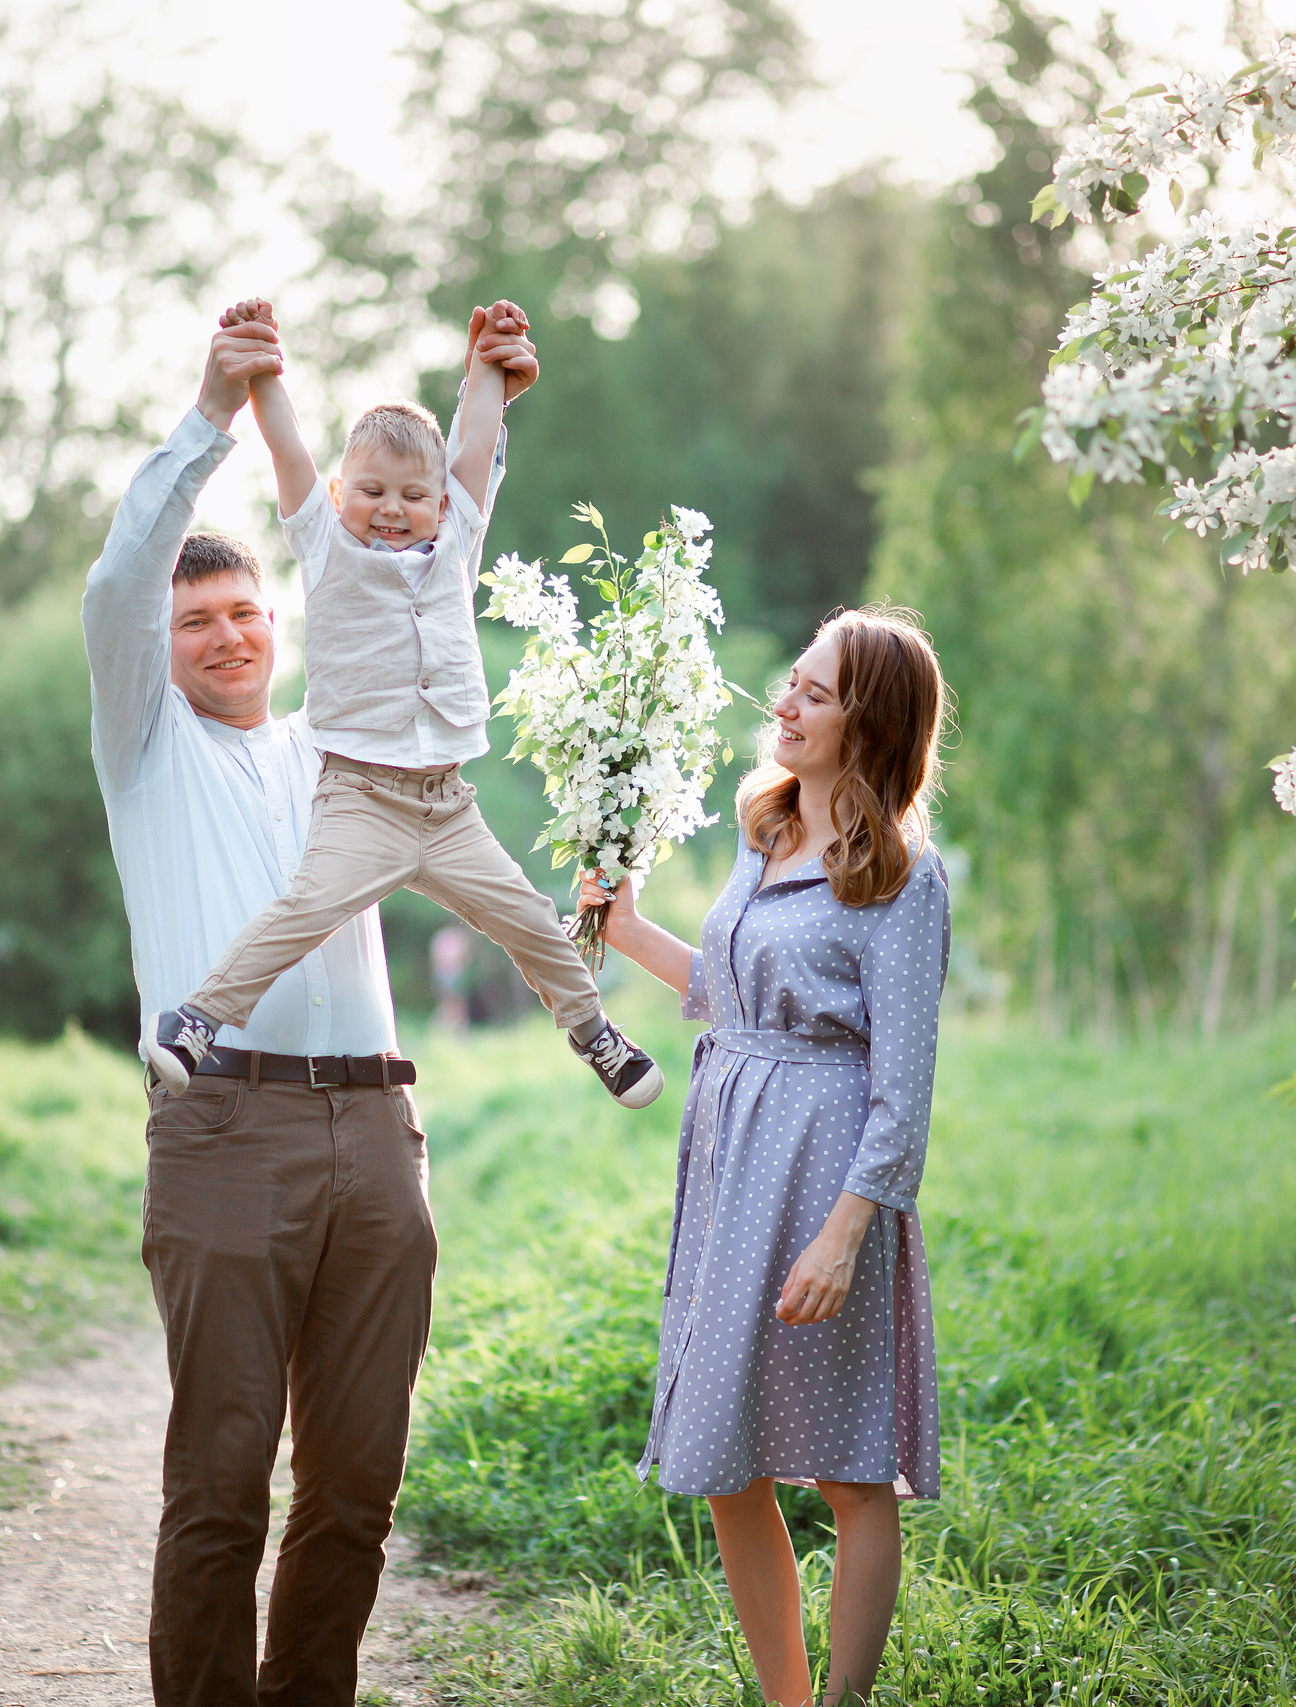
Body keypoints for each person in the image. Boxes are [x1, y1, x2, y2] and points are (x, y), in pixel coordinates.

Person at [81, 300, 535, 1707]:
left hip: (378, 1140)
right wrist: (216, 412)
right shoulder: (145, 751)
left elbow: (425, 561)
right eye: (196, 621)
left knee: (355, 1486)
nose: (225, 634)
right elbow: (117, 586)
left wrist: (486, 415)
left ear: (281, 620)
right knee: (219, 1483)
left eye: (243, 611)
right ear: (159, 650)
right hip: (224, 1136)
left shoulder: (343, 747)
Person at [141, 298, 662, 1110]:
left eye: (413, 496)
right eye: (372, 491)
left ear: (444, 504)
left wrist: (486, 368)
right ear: (342, 493)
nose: (392, 509)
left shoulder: (456, 541)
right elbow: (286, 447)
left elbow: (475, 444)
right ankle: (200, 1020)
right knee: (305, 907)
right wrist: (263, 370)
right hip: (362, 798)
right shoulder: (324, 544)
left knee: (529, 916)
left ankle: (595, 1032)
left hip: (447, 806)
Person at [579, 608, 952, 1706]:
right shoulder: (766, 830)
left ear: (871, 723)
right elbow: (730, 993)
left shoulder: (898, 879)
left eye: (817, 693)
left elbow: (905, 1089)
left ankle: (839, 1704)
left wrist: (848, 1233)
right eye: (791, 684)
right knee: (723, 1461)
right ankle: (786, 1701)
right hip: (732, 1153)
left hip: (824, 1162)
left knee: (845, 1469)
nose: (784, 705)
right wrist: (629, 928)